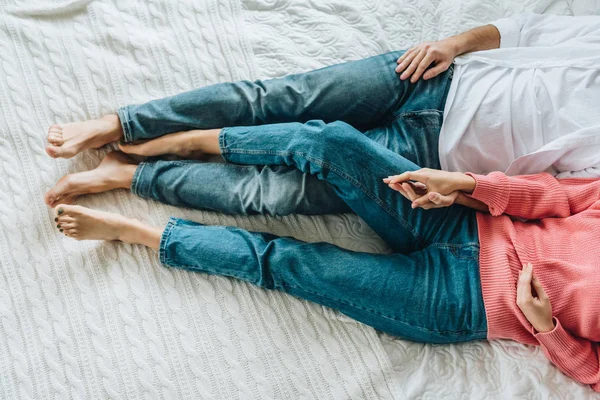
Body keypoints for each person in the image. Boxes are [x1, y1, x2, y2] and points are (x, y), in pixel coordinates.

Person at [43, 12, 599, 392]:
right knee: (325, 139)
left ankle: (136, 227)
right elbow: (554, 196)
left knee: (290, 263)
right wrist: (472, 187)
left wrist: (547, 328)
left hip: (462, 301)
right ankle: (176, 144)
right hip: (462, 220)